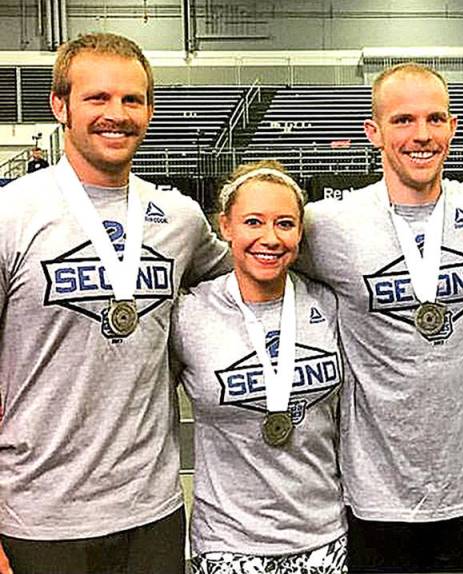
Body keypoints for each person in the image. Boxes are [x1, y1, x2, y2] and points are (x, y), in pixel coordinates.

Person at [0, 33, 228, 574]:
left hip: (152, 513)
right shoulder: (12, 214)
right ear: (60, 106)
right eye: (98, 98)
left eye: (132, 99)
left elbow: (251, 279)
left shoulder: (180, 221)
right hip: (37, 518)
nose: (117, 115)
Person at [296, 63, 463, 572]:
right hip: (375, 498)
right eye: (402, 121)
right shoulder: (327, 225)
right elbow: (251, 264)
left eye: (434, 119)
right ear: (373, 132)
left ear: (453, 127)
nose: (421, 135)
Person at [171, 161, 347, 573]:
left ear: (300, 234)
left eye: (285, 224)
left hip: (325, 538)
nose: (270, 238)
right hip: (227, 544)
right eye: (254, 222)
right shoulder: (188, 313)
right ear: (225, 226)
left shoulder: (329, 304)